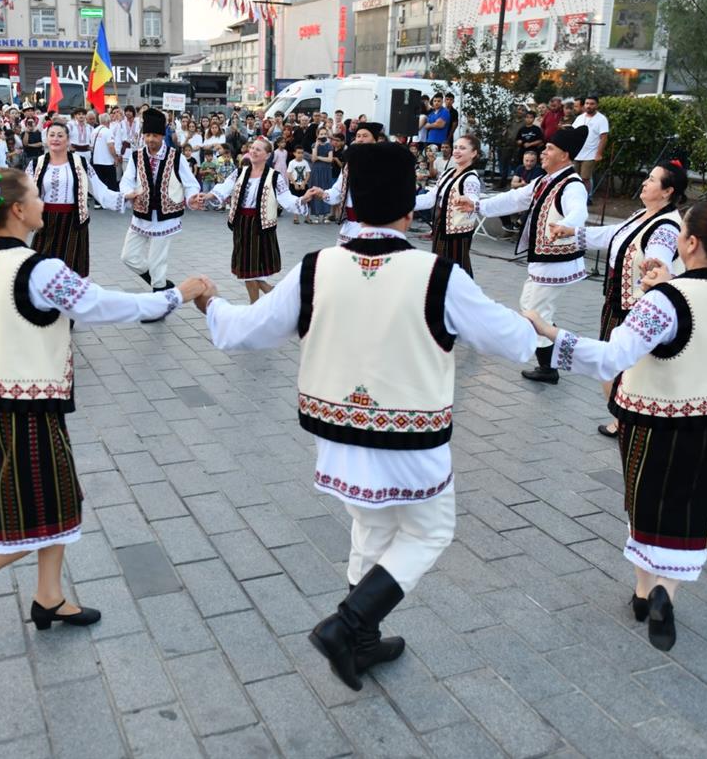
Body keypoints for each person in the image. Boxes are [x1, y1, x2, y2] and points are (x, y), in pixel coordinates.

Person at [200, 142, 538, 690]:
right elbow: (515, 343)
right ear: (410, 210)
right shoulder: (437, 274)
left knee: (371, 523)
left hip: (338, 435)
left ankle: (359, 637)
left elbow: (243, 332)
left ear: (351, 200)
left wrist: (209, 301)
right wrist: (531, 325)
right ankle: (350, 623)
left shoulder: (317, 267)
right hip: (409, 442)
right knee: (430, 530)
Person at [0, 171, 209, 636]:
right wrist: (175, 296)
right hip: (27, 409)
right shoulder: (40, 269)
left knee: (59, 501)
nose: (45, 202)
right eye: (37, 195)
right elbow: (101, 306)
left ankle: (49, 598)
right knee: (38, 509)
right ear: (18, 210)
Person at [524, 200, 707, 651]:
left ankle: (642, 592)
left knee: (648, 503)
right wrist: (666, 285)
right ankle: (664, 593)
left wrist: (551, 333)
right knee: (693, 509)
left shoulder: (664, 301)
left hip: (660, 419)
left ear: (689, 242)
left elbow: (614, 357)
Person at [550, 160, 686, 437]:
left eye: (652, 179)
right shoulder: (642, 215)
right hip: (617, 301)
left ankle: (628, 421)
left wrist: (656, 265)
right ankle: (625, 420)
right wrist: (573, 233)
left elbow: (660, 255)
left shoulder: (666, 228)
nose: (645, 182)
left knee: (618, 367)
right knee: (615, 366)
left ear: (667, 191)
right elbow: (613, 234)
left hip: (634, 308)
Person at [472, 125, 591, 383]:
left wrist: (567, 226)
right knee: (533, 307)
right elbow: (514, 199)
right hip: (544, 260)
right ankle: (553, 360)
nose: (543, 152)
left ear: (565, 155)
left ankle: (549, 367)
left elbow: (579, 212)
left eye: (550, 148)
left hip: (556, 261)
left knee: (535, 312)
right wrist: (477, 205)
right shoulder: (543, 181)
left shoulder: (572, 185)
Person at [191, 137, 312, 303]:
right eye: (252, 148)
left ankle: (263, 302)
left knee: (253, 270)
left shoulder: (275, 177)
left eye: (258, 149)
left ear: (267, 155)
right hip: (242, 224)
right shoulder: (240, 172)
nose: (253, 151)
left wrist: (303, 199)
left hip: (261, 226)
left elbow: (288, 200)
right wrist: (208, 195)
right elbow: (224, 187)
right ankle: (267, 300)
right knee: (247, 270)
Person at [118, 110, 200, 318]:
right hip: (141, 215)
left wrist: (192, 198)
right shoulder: (137, 156)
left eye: (154, 136)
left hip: (165, 217)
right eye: (147, 136)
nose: (150, 140)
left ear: (162, 136)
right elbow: (126, 180)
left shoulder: (176, 157)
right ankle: (162, 285)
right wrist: (128, 193)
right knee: (128, 257)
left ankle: (158, 306)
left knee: (157, 263)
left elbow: (190, 183)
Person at [26, 122, 123, 276]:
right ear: (46, 139)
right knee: (41, 268)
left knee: (70, 270)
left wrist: (125, 198)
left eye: (60, 135)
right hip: (45, 222)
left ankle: (71, 298)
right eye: (52, 135)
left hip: (74, 222)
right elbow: (23, 192)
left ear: (68, 140)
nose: (55, 139)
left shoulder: (81, 163)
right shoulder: (36, 164)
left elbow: (100, 190)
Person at [412, 134, 483, 276]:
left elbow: (473, 200)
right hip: (440, 229)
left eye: (462, 148)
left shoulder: (470, 179)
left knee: (458, 269)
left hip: (457, 234)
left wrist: (469, 201)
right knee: (441, 268)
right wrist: (405, 203)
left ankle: (463, 296)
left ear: (474, 153)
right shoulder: (448, 173)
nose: (456, 151)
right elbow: (431, 198)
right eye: (456, 147)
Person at [319, 123, 385, 245]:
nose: (360, 139)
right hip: (349, 228)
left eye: (365, 136)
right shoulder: (348, 165)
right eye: (358, 136)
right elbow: (337, 192)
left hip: (375, 229)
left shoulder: (384, 165)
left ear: (375, 140)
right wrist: (322, 193)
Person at [572, 96, 609, 191]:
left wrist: (598, 154)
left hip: (590, 154)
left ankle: (587, 198)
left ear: (597, 105)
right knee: (574, 177)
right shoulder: (580, 118)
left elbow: (604, 137)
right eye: (587, 103)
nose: (589, 106)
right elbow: (573, 132)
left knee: (585, 178)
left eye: (592, 104)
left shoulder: (601, 119)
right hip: (577, 152)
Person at [91, 111, 119, 195]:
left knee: (100, 183)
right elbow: (111, 146)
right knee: (111, 183)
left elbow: (91, 147)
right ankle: (112, 200)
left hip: (96, 161)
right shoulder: (107, 131)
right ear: (108, 121)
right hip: (107, 162)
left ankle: (98, 203)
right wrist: (115, 158)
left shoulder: (94, 131)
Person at [287, 146, 312, 225]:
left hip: (303, 185)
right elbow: (289, 174)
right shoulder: (292, 162)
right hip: (294, 185)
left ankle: (307, 218)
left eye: (302, 153)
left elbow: (308, 174)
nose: (300, 155)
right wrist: (295, 184)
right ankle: (296, 218)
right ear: (294, 153)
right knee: (296, 201)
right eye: (298, 153)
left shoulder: (305, 162)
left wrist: (304, 183)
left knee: (306, 200)